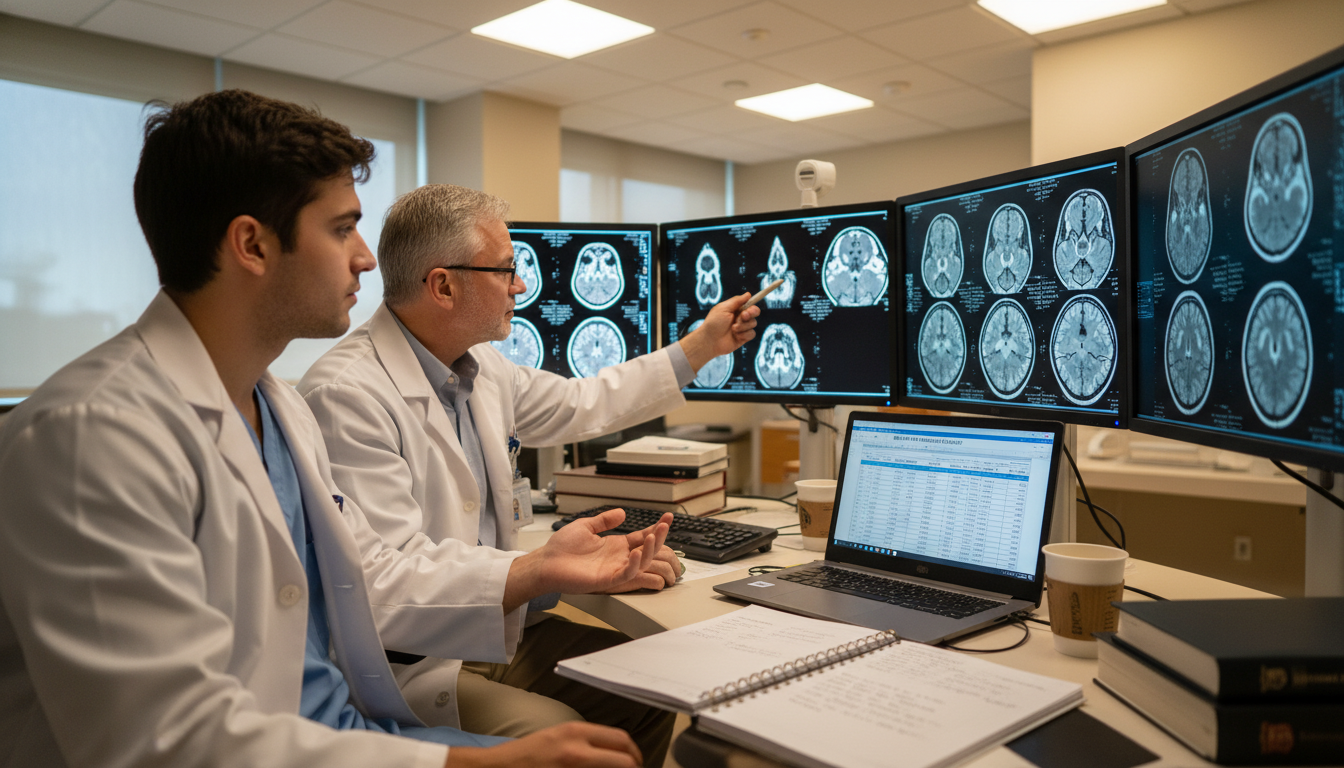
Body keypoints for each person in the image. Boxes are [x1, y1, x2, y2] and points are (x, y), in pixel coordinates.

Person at [0, 89, 672, 768]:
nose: (368, 259)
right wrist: (470, 762)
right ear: (252, 245)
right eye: (341, 228)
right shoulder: (93, 436)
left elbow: (362, 589)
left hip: (348, 729)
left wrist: (539, 571)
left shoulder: (277, 409)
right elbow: (160, 741)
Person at [297, 184, 759, 763]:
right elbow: (387, 581)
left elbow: (583, 403)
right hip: (412, 660)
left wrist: (700, 347)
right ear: (443, 285)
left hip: (498, 630)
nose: (520, 285)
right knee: (562, 727)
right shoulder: (348, 394)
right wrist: (542, 568)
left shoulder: (480, 367)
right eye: (507, 270)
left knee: (652, 691)